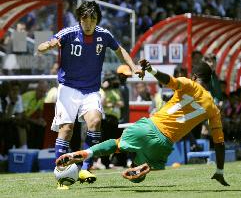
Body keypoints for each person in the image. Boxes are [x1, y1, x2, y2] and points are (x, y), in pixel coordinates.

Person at [56, 60, 230, 186]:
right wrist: (220, 171)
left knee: (117, 145)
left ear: (194, 76)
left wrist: (152, 70)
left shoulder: (189, 84)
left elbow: (169, 80)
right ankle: (147, 166)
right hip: (164, 143)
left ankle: (86, 153)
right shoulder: (213, 109)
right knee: (140, 176)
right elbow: (219, 143)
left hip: (149, 127)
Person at [37, 1, 143, 186]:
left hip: (91, 89)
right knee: (66, 130)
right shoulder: (68, 33)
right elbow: (43, 46)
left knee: (95, 122)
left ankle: (85, 168)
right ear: (80, 19)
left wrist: (133, 67)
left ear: (97, 20)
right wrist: (48, 45)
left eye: (92, 19)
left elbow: (120, 50)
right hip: (68, 88)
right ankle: (61, 175)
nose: (88, 23)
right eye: (85, 19)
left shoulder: (104, 35)